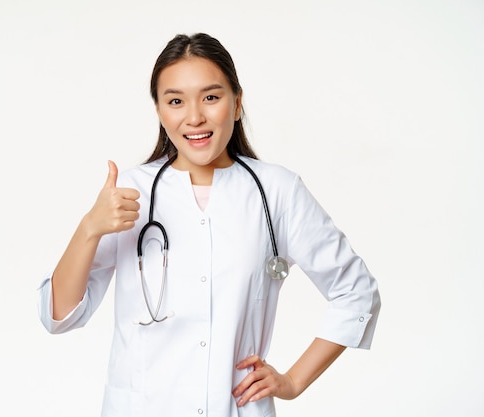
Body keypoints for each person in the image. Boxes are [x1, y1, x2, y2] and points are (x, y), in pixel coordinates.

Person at [38, 33, 381, 417]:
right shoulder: (131, 192)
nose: (194, 116)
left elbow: (356, 291)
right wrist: (90, 228)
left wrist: (294, 381)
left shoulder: (278, 191)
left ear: (236, 104)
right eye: (175, 101)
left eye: (211, 97)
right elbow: (59, 316)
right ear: (160, 111)